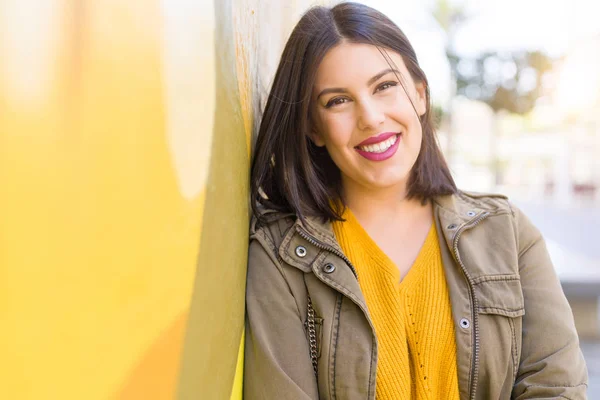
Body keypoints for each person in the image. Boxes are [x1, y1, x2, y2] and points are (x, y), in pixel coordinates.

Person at [244, 2, 588, 399]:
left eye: (385, 86)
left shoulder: (508, 234)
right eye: (338, 100)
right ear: (313, 128)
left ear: (420, 95)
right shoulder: (282, 258)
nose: (371, 117)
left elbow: (555, 386)